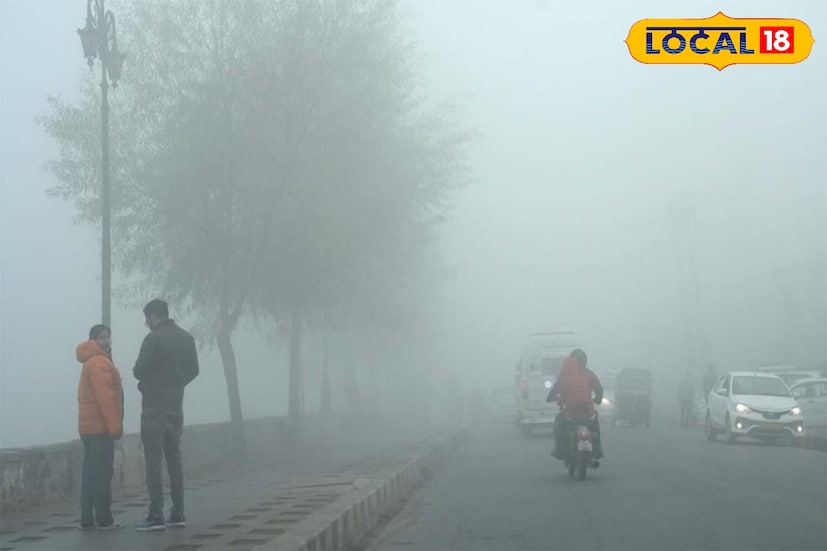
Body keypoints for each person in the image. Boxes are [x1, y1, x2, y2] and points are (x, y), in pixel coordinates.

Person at [133, 299, 200, 531]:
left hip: (153, 407)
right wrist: (176, 385)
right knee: (175, 459)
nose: (147, 324)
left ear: (153, 317)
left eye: (147, 320)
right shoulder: (186, 338)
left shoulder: (153, 339)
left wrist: (154, 384)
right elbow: (194, 370)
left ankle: (156, 515)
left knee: (154, 462)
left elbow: (139, 370)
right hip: (175, 406)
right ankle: (178, 512)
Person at [77, 324, 124, 531]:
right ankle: (104, 519)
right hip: (100, 428)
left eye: (108, 337)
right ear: (93, 341)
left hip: (88, 428)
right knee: (102, 475)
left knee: (89, 475)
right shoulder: (99, 362)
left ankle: (87, 519)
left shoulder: (90, 361)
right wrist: (115, 428)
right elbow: (106, 398)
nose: (107, 341)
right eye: (102, 337)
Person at [547, 349, 604, 461]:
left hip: (571, 412)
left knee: (559, 421)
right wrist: (597, 399)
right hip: (587, 410)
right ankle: (597, 447)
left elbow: (556, 391)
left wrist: (557, 400)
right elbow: (599, 389)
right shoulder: (590, 375)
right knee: (594, 422)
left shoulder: (566, 377)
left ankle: (559, 448)